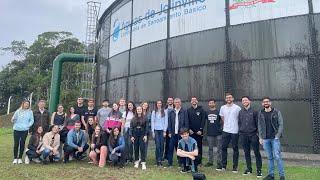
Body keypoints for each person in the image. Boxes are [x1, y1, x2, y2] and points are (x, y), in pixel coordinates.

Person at [258, 97, 285, 180]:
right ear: (262, 104)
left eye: (267, 101)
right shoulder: (261, 113)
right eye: (264, 102)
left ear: (270, 103)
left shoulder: (276, 112)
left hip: (274, 138)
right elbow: (259, 125)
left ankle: (282, 176)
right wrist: (260, 137)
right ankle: (271, 175)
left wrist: (277, 135)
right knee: (270, 157)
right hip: (265, 139)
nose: (266, 103)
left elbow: (281, 124)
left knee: (277, 156)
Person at [238, 96, 262, 177]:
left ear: (249, 101)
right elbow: (239, 123)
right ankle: (249, 169)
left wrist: (258, 134)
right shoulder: (240, 112)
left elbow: (258, 124)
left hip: (253, 135)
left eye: (246, 100)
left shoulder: (255, 111)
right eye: (243, 100)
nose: (244, 101)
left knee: (256, 152)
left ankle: (259, 170)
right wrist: (241, 132)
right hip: (243, 135)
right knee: (246, 153)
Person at [219, 93, 241, 172]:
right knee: (224, 148)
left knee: (235, 149)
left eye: (230, 97)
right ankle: (223, 166)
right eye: (227, 98)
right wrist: (227, 124)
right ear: (225, 99)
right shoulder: (222, 107)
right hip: (225, 131)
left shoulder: (237, 108)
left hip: (235, 131)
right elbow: (222, 117)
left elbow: (239, 118)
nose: (228, 99)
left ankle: (235, 167)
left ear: (233, 98)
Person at [167, 98, 189, 167]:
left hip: (181, 134)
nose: (177, 103)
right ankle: (169, 163)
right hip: (173, 134)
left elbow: (186, 123)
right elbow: (169, 123)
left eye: (178, 102)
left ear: (180, 103)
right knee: (170, 148)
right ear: (174, 103)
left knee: (180, 149)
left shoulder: (184, 111)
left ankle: (181, 163)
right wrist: (170, 132)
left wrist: (184, 133)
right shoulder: (171, 112)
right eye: (175, 102)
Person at [11, 100, 34, 164]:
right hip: (16, 129)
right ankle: (15, 158)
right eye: (25, 104)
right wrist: (13, 120)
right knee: (16, 144)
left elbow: (32, 120)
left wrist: (27, 126)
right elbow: (13, 119)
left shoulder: (30, 112)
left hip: (25, 130)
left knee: (22, 143)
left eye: (28, 104)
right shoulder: (18, 111)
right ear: (23, 104)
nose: (26, 105)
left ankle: (20, 158)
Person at [204, 99, 223, 170]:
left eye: (212, 103)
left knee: (219, 149)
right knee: (210, 149)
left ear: (215, 104)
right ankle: (210, 161)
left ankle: (219, 163)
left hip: (218, 133)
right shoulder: (206, 112)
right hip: (210, 133)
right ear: (208, 104)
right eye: (210, 103)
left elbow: (222, 120)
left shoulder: (218, 112)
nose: (211, 104)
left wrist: (221, 128)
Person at [187, 97, 205, 165]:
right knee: (191, 146)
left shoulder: (201, 110)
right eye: (192, 100)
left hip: (199, 133)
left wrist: (201, 129)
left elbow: (203, 120)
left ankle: (199, 162)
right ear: (191, 102)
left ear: (197, 101)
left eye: (195, 100)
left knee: (199, 146)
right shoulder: (188, 110)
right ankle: (192, 160)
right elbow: (187, 120)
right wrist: (189, 129)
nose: (194, 101)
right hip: (191, 132)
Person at [151, 100, 168, 166]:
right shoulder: (154, 112)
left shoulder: (165, 111)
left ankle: (160, 159)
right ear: (156, 104)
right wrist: (153, 131)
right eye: (158, 103)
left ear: (162, 104)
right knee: (157, 145)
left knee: (162, 145)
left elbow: (166, 121)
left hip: (162, 130)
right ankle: (157, 159)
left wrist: (164, 131)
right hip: (156, 130)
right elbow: (152, 122)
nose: (159, 104)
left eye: (160, 103)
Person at [164, 97, 174, 161]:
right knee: (167, 143)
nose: (170, 101)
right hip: (167, 129)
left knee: (173, 143)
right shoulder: (165, 109)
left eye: (171, 100)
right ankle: (166, 156)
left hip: (174, 128)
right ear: (167, 101)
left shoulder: (175, 109)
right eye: (169, 100)